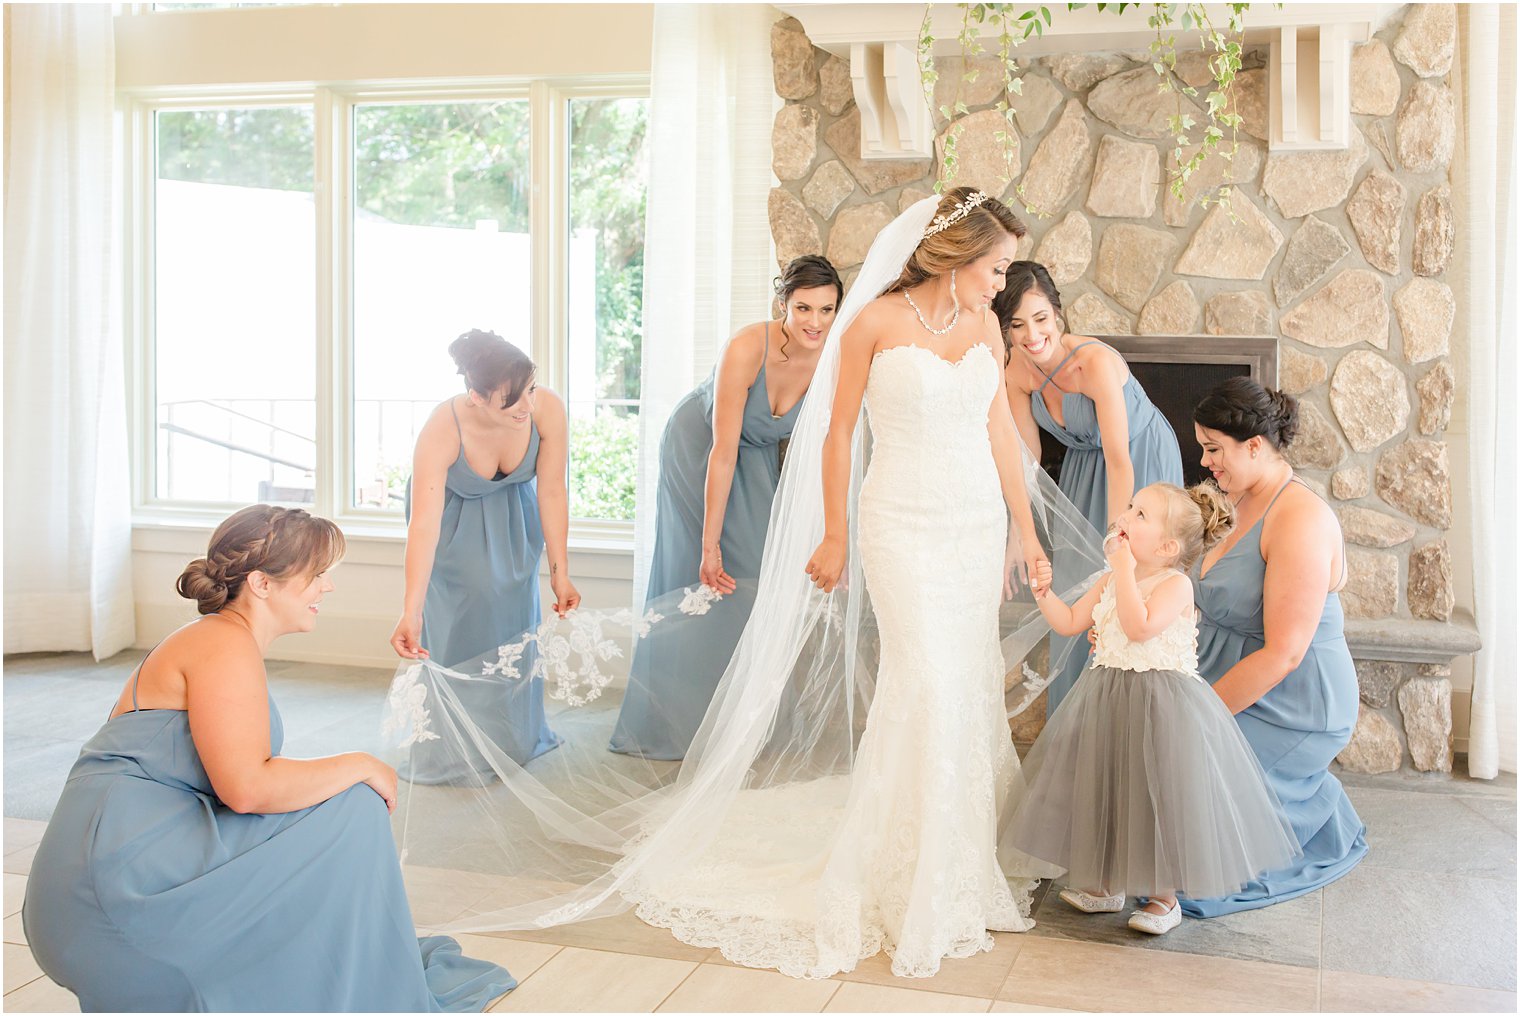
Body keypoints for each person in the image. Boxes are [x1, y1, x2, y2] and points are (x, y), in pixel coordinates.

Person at [381, 190, 1105, 982]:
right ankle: (909, 875)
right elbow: (836, 433)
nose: (1002, 287)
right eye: (996, 268)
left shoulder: (979, 331)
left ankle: (961, 863)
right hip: (900, 524)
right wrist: (835, 531)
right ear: (957, 255)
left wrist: (1024, 530)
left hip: (970, 527)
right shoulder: (873, 324)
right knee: (924, 683)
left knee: (963, 685)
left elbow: (999, 429)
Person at [22, 506, 516, 1012]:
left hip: (112, 877)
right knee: (354, 805)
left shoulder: (218, 640)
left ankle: (327, 966)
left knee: (338, 804)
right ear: (261, 583)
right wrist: (362, 764)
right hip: (115, 893)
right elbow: (247, 788)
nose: (328, 588)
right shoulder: (222, 643)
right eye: (316, 575)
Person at [1004, 483, 1300, 937]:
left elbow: (1139, 627)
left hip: (1161, 705)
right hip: (1106, 696)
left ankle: (1165, 896)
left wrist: (1121, 568)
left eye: (1140, 515)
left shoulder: (1176, 584)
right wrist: (1044, 592)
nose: (1125, 516)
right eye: (1129, 507)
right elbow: (1068, 622)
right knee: (1108, 785)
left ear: (1166, 547)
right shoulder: (1110, 578)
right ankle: (1106, 885)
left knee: (1156, 794)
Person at [610, 255, 843, 759]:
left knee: (755, 575)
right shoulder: (746, 347)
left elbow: (828, 450)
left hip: (754, 456)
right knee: (696, 576)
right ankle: (669, 723)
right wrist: (709, 542)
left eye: (827, 309)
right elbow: (721, 450)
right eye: (803, 307)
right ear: (782, 303)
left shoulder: (833, 359)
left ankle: (739, 720)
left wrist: (834, 532)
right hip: (700, 451)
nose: (815, 322)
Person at [1183, 376, 1368, 916]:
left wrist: (1200, 713)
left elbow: (1285, 652)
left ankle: (1316, 806)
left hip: (1295, 699)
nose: (1205, 461)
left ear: (1256, 446)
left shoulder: (1299, 518)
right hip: (1230, 678)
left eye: (1214, 449)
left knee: (1195, 818)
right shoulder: (1234, 503)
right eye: (1202, 448)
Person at [994, 262, 1183, 714]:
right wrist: (1017, 539)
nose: (1031, 335)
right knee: (1079, 587)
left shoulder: (1093, 362)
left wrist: (1118, 539)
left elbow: (1119, 461)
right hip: (1083, 465)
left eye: (1040, 319)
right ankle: (1077, 726)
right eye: (1017, 325)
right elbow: (1028, 460)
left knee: (1128, 582)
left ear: (1057, 314)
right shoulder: (1016, 371)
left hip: (1138, 463)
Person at [391, 330, 579, 774]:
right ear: (475, 396)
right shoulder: (443, 427)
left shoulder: (545, 408)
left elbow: (552, 490)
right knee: (463, 620)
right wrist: (410, 612)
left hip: (515, 517)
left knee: (514, 617)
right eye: (511, 400)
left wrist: (560, 572)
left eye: (531, 390)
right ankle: (454, 743)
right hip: (449, 522)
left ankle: (513, 735)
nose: (528, 407)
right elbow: (423, 523)